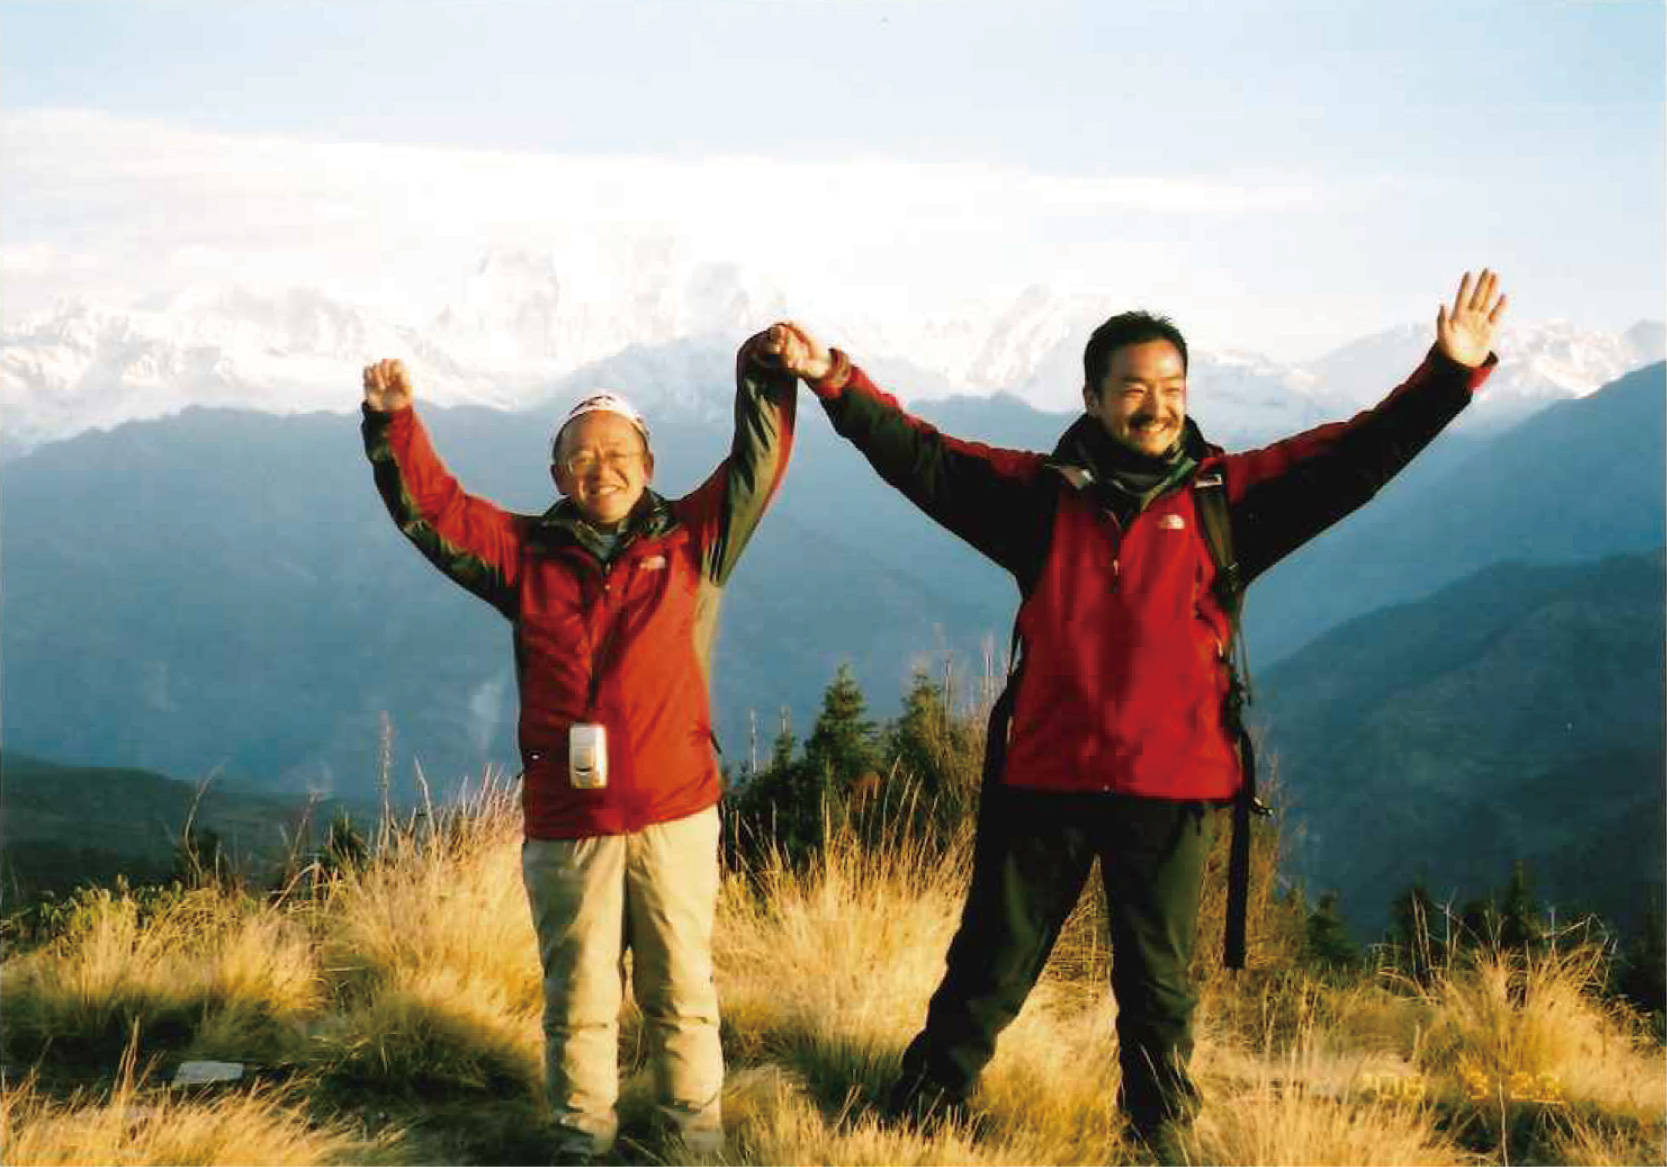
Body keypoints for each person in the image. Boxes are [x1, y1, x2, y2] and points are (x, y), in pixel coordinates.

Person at [761, 270, 1507, 1161]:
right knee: (989, 966)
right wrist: (835, 382)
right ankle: (920, 1116)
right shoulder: (1039, 498)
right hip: (1046, 774)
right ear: (1092, 396)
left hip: (1172, 782)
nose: (1154, 406)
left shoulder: (1226, 500)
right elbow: (923, 456)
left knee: (1156, 985)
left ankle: (1158, 1138)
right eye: (1134, 389)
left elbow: (1354, 458)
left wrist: (1446, 373)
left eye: (1171, 389)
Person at [359, 333, 797, 1159]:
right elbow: (435, 513)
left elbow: (755, 464)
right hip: (569, 824)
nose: (602, 468)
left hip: (674, 813)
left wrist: (763, 371)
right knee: (580, 999)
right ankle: (579, 1144)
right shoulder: (525, 556)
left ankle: (691, 1145)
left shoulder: (694, 540)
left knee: (682, 994)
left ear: (648, 460)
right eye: (582, 456)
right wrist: (393, 426)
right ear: (557, 474)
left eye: (618, 451)